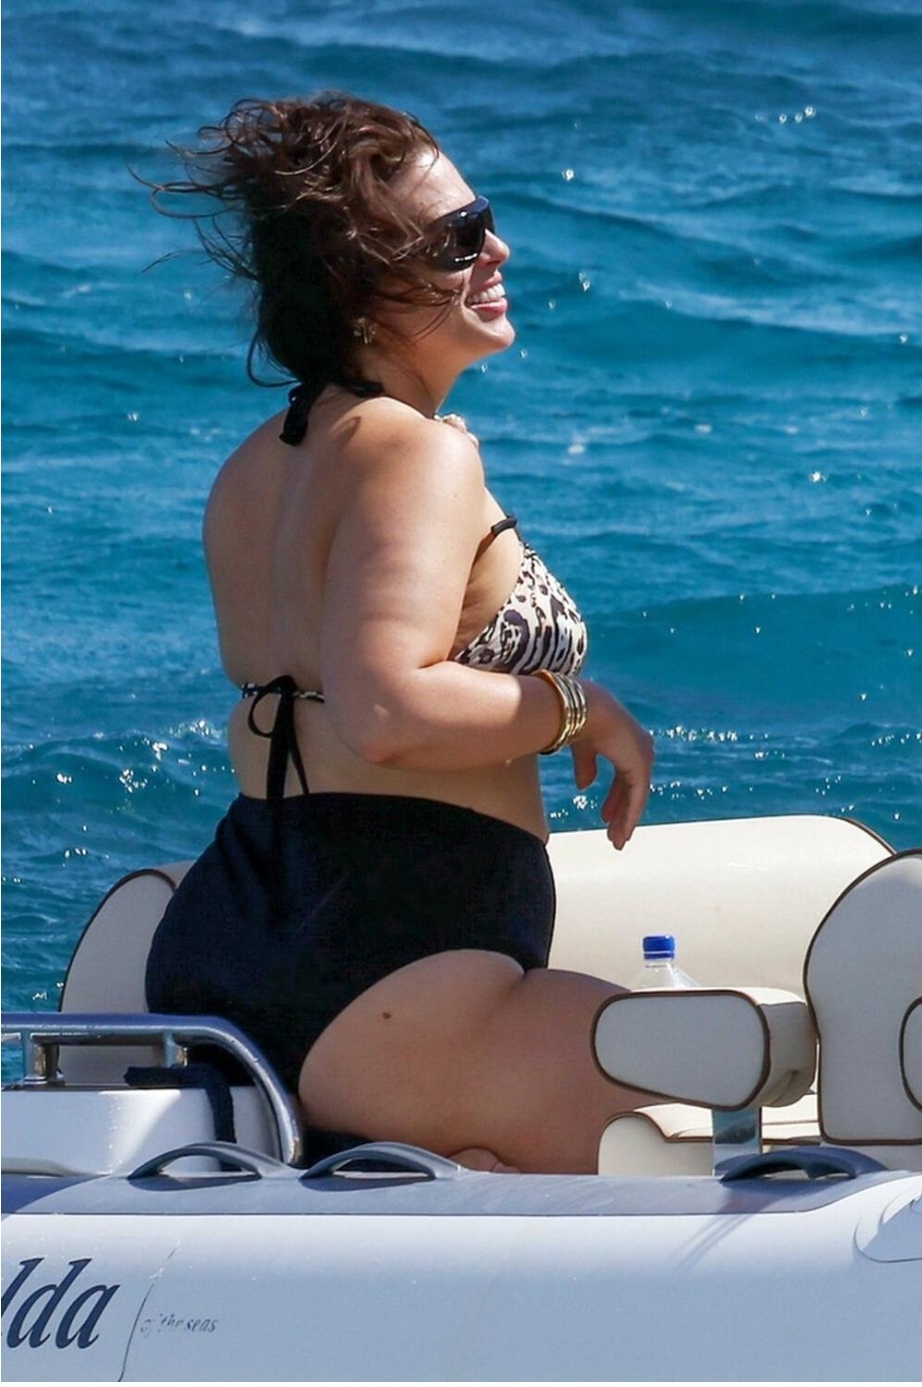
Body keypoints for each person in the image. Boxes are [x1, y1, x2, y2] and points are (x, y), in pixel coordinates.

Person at [145, 92, 656, 1175]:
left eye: (485, 220)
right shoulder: (421, 454)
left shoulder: (255, 469)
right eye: (458, 239)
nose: (496, 250)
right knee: (725, 1092)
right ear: (360, 285)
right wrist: (582, 708)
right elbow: (385, 707)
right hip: (396, 966)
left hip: (228, 943)